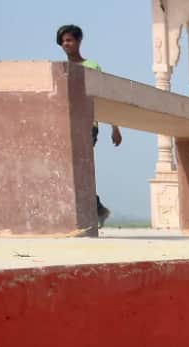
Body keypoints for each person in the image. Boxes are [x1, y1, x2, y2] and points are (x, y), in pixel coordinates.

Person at [57, 24, 121, 229]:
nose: (66, 44)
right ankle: (96, 209)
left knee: (79, 168)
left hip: (88, 126)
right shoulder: (61, 69)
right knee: (70, 170)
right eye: (63, 41)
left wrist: (115, 126)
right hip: (67, 125)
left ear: (78, 41)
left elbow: (103, 97)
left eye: (70, 40)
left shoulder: (91, 66)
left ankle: (94, 210)